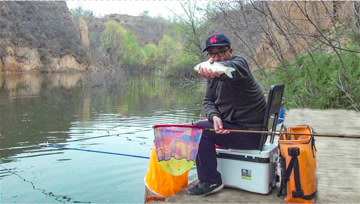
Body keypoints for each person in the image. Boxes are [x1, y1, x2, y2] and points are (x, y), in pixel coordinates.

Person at [186, 33, 266, 197]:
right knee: (202, 124)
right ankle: (211, 177)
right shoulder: (211, 74)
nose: (216, 58)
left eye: (221, 52)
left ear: (230, 51)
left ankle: (210, 181)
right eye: (212, 54)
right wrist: (214, 116)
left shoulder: (240, 65)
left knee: (199, 129)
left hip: (251, 133)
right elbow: (208, 100)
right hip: (233, 127)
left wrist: (219, 70)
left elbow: (234, 68)